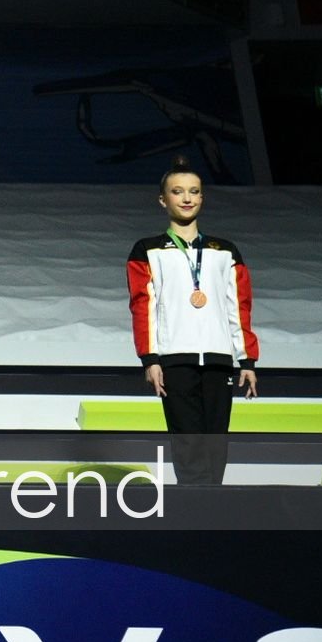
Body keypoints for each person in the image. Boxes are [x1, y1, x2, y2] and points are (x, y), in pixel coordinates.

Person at [126, 154, 258, 485]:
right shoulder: (148, 250)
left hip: (218, 360)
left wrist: (247, 360)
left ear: (202, 197)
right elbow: (144, 306)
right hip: (174, 360)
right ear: (162, 199)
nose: (187, 198)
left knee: (216, 440)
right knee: (186, 439)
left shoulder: (225, 251)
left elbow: (238, 307)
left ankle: (211, 507)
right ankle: (193, 508)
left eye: (194, 191)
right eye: (178, 191)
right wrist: (150, 358)